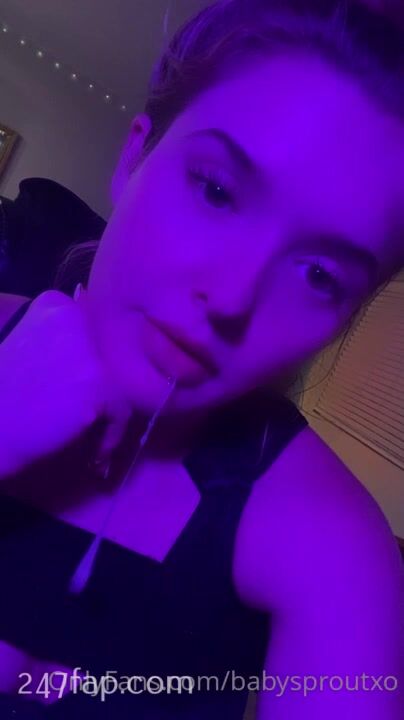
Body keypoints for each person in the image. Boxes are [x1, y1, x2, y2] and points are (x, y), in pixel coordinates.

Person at [0, 0, 403, 717]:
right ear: (134, 157)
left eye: (319, 276)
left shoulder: (336, 551)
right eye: (216, 190)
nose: (232, 295)